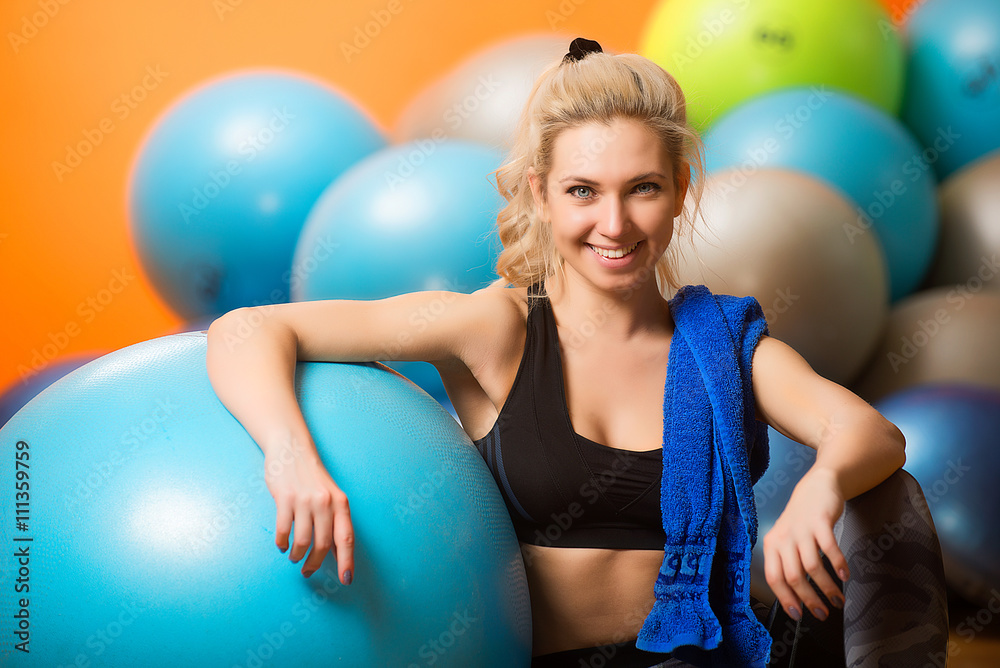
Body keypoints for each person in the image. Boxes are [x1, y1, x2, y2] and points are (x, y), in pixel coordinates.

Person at [205, 38, 908, 666]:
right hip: (546, 655)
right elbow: (248, 331)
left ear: (680, 191)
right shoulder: (497, 328)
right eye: (583, 192)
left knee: (898, 519)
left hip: (706, 653)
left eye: (643, 189)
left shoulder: (720, 343)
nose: (614, 224)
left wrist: (821, 487)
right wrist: (291, 455)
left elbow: (870, 432)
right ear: (541, 195)